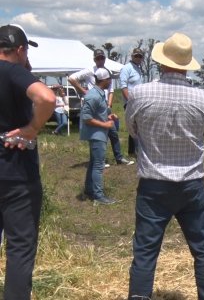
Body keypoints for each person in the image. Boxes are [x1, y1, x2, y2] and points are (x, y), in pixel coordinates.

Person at [125, 32, 204, 300]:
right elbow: (201, 133)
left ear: (161, 62)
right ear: (187, 64)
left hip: (154, 182)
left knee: (145, 250)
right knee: (203, 248)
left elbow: (133, 131)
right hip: (191, 181)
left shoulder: (140, 93)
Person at [0, 24, 56, 299]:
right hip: (15, 171)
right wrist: (32, 128)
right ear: (20, 49)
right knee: (20, 246)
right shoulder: (13, 72)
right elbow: (47, 97)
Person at [68, 49, 134, 166]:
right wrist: (84, 91)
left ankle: (119, 158)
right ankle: (98, 160)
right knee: (97, 134)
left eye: (102, 58)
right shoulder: (90, 70)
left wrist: (109, 105)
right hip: (94, 106)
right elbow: (71, 78)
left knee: (113, 133)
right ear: (94, 59)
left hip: (104, 106)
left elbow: (111, 91)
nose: (100, 60)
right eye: (98, 58)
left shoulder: (107, 72)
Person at [79, 68, 118, 205]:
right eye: (109, 79)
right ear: (105, 80)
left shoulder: (99, 94)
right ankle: (98, 196)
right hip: (97, 134)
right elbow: (86, 117)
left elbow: (96, 113)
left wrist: (108, 116)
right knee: (98, 165)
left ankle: (90, 190)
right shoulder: (93, 96)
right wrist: (105, 124)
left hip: (98, 133)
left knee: (94, 163)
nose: (111, 81)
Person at [120, 48, 144, 156]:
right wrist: (129, 101)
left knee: (138, 126)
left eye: (140, 56)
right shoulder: (126, 68)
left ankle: (135, 150)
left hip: (139, 102)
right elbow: (123, 86)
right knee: (132, 125)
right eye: (136, 56)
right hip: (130, 102)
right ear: (132, 56)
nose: (138, 58)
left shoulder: (138, 69)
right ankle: (133, 151)